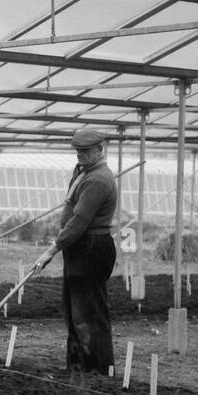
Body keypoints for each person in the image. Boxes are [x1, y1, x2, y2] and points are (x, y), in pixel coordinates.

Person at [32, 129, 118, 374]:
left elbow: (79, 221)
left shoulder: (98, 179)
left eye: (86, 151)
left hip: (91, 247)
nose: (80, 155)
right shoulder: (84, 172)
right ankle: (78, 368)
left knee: (89, 313)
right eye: (78, 151)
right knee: (75, 312)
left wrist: (51, 250)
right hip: (80, 247)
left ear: (100, 150)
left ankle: (99, 372)